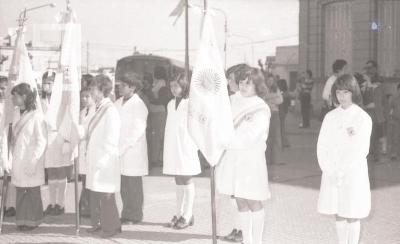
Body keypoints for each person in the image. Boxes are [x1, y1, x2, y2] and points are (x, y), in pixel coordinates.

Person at [217, 68, 271, 244]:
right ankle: (247, 240)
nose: (244, 85)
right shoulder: (231, 101)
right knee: (240, 200)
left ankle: (257, 241)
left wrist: (226, 142)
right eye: (241, 82)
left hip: (251, 159)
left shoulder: (261, 107)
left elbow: (251, 136)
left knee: (253, 200)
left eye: (248, 82)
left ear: (257, 84)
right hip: (233, 158)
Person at [317, 74, 372, 244]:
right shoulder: (330, 117)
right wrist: (328, 168)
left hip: (352, 172)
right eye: (339, 92)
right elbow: (322, 145)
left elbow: (361, 149)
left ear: (353, 92)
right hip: (332, 172)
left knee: (352, 212)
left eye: (346, 92)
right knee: (338, 210)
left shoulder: (362, 118)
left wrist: (343, 169)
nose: (342, 97)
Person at [73, 74, 121, 238]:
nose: (92, 91)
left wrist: (102, 160)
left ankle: (111, 228)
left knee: (106, 195)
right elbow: (85, 130)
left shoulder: (110, 111)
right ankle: (103, 224)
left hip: (105, 160)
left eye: (94, 88)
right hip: (95, 157)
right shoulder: (98, 108)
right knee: (97, 193)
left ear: (102, 90)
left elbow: (112, 139)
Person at [163, 73, 201, 230]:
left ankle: (187, 214)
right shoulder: (170, 103)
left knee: (186, 179)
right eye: (171, 86)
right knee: (178, 179)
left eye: (176, 86)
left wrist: (194, 145)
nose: (173, 89)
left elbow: (197, 126)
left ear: (184, 87)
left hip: (186, 146)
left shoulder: (190, 103)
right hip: (173, 146)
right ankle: (178, 213)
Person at [9, 83, 47, 231]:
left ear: (24, 96)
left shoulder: (37, 116)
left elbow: (41, 140)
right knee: (20, 190)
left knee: (32, 191)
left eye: (16, 96)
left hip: (32, 160)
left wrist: (34, 160)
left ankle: (33, 220)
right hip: (18, 158)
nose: (13, 98)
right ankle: (21, 220)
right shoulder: (16, 113)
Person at [115, 72, 148, 225]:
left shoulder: (139, 104)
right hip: (119, 150)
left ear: (132, 87)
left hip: (132, 150)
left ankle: (135, 215)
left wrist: (123, 147)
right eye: (119, 84)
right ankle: (126, 212)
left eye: (123, 85)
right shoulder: (118, 102)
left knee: (133, 184)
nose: (119, 87)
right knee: (124, 184)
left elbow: (137, 130)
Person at [41, 70, 72, 216]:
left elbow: (67, 119)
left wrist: (66, 139)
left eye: (49, 83)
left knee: (60, 171)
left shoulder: (61, 100)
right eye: (44, 83)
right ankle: (51, 203)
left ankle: (61, 204)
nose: (46, 86)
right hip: (46, 138)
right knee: (51, 172)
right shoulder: (41, 100)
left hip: (58, 136)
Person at [147, 66, 172, 168]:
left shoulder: (161, 82)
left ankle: (157, 159)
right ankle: (156, 158)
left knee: (158, 136)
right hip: (154, 111)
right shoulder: (158, 82)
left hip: (159, 111)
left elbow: (156, 97)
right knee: (156, 136)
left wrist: (149, 98)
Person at [362, 61, 387, 162]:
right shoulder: (365, 83)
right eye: (367, 67)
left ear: (375, 68)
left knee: (376, 134)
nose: (368, 70)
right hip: (368, 112)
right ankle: (371, 154)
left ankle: (376, 155)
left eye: (370, 67)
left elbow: (378, 101)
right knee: (369, 135)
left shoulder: (378, 83)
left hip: (376, 113)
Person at [78, 87, 95, 218]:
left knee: (91, 179)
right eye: (82, 96)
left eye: (87, 96)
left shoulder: (96, 111)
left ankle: (90, 207)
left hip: (91, 147)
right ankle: (85, 206)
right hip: (82, 147)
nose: (84, 99)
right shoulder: (82, 112)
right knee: (84, 180)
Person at [264, 75, 283, 165]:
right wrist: (273, 98)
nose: (270, 82)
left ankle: (277, 159)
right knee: (267, 137)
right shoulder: (263, 89)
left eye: (271, 80)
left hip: (275, 113)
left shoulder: (276, 89)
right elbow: (262, 100)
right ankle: (267, 159)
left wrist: (270, 99)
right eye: (268, 80)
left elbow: (280, 100)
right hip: (266, 114)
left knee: (276, 136)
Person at [277, 78, 291, 148]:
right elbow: (289, 102)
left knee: (281, 127)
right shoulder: (286, 92)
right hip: (284, 111)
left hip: (281, 110)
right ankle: (284, 141)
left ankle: (284, 142)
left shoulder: (282, 93)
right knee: (282, 127)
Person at [388, 83, 400, 160]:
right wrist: (391, 119)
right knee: (395, 137)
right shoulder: (394, 98)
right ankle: (394, 154)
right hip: (396, 120)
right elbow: (390, 110)